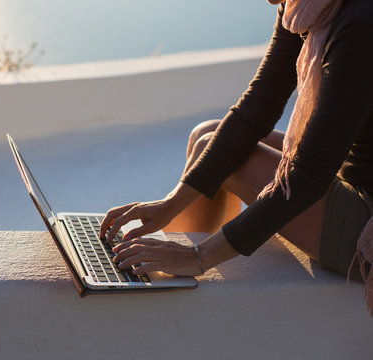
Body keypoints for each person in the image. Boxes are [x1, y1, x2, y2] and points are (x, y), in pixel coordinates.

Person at [99, 0, 373, 311]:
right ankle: (172, 275)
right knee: (206, 135)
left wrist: (199, 256)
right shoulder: (308, 7)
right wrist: (171, 203)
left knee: (217, 154)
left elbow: (308, 175)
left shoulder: (361, 23)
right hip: (346, 177)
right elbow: (258, 107)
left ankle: (179, 291)